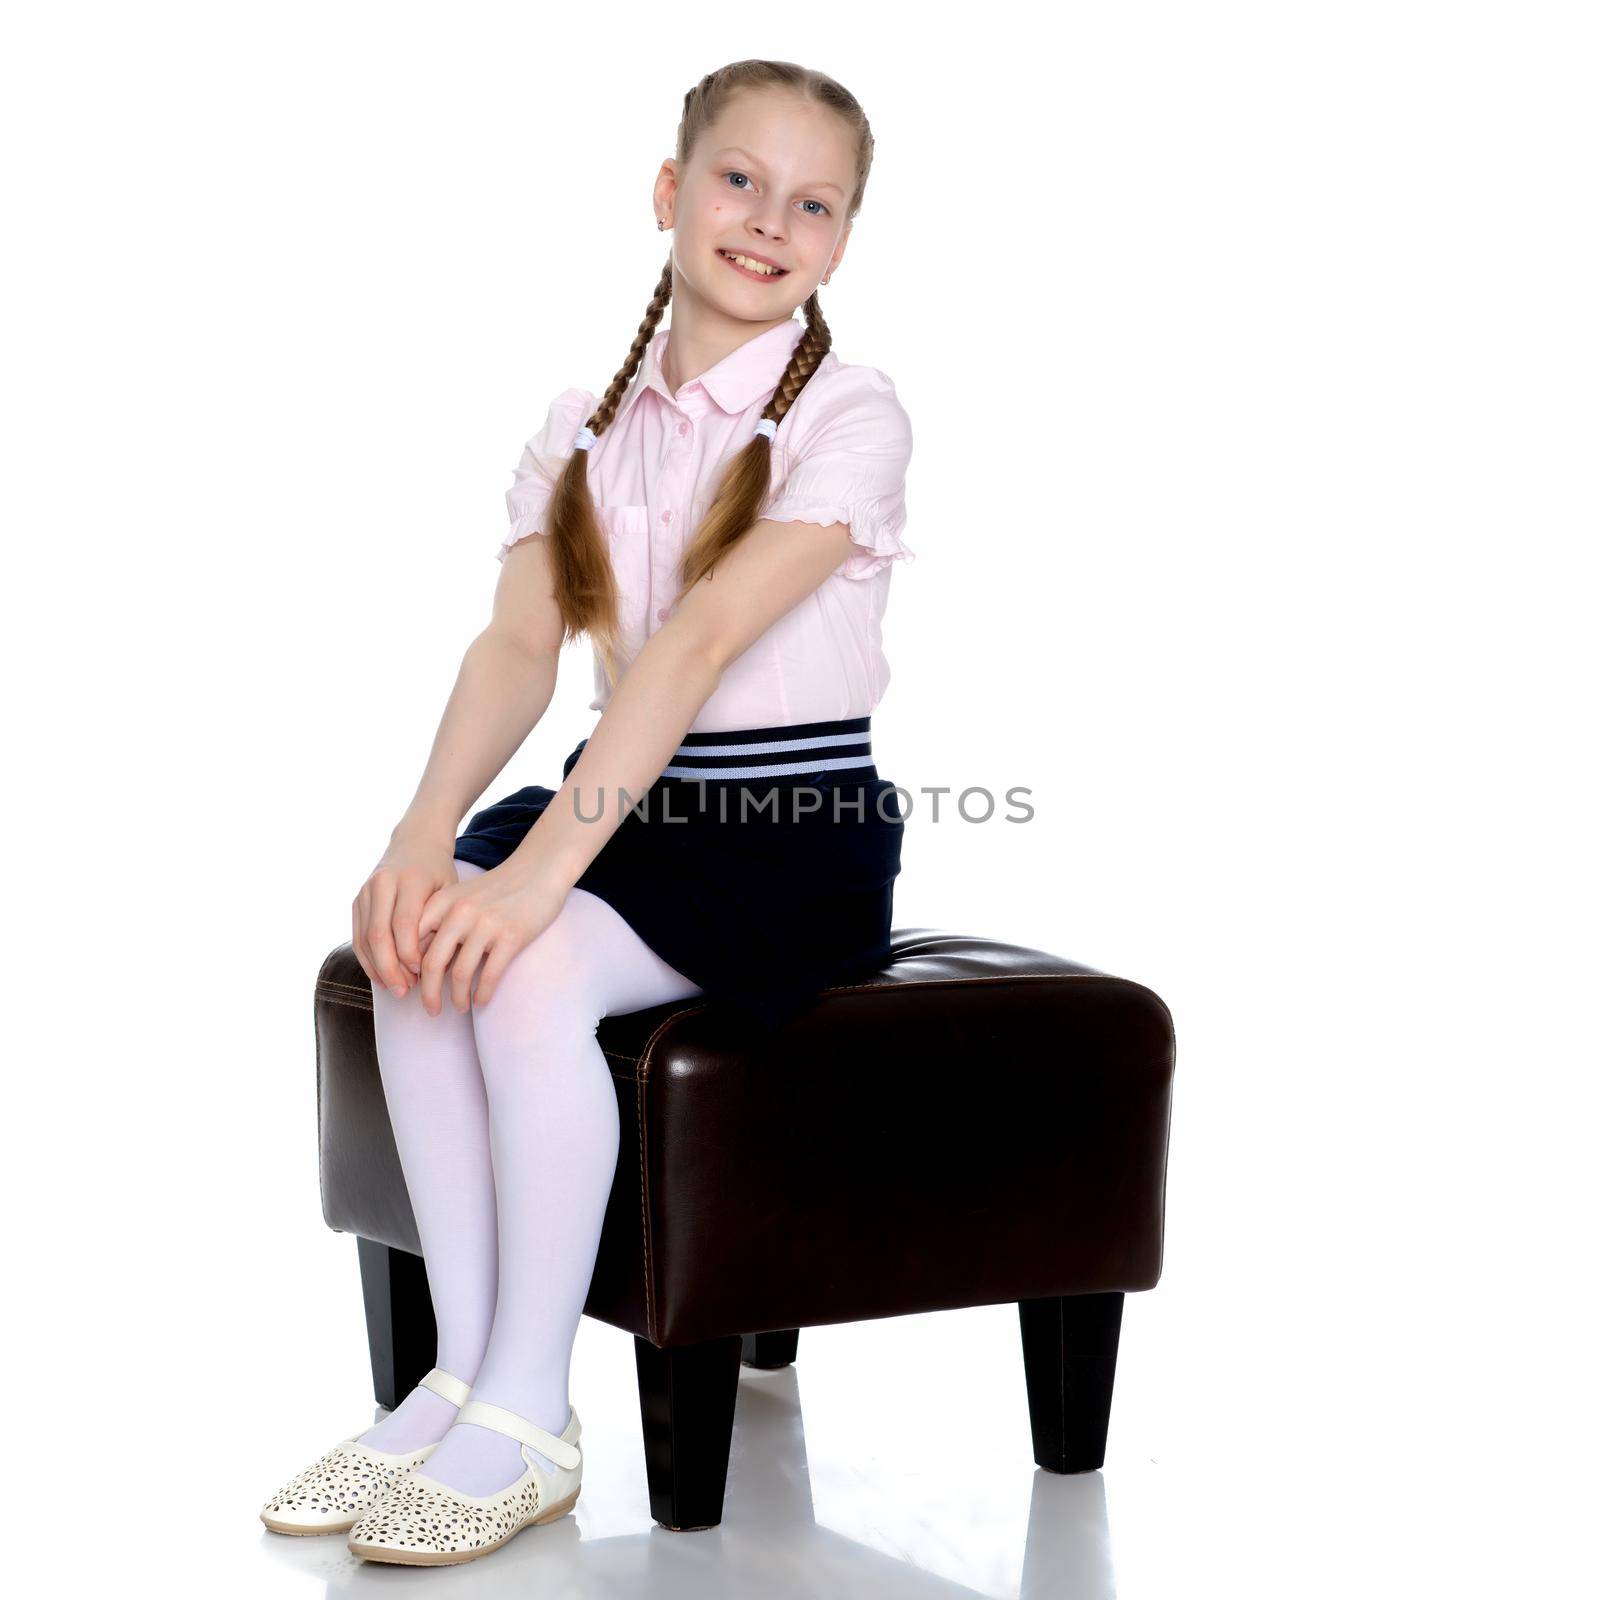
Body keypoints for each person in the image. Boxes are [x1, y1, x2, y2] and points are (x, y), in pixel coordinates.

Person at [260, 58, 916, 1566]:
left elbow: (691, 647)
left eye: (815, 203)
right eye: (740, 180)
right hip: (627, 807)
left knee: (528, 961)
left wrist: (538, 882)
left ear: (842, 240)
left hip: (785, 834)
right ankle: (460, 1377)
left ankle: (532, 1412)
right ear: (670, 194)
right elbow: (514, 645)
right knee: (425, 940)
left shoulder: (853, 414)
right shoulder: (584, 422)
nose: (771, 220)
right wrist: (423, 841)